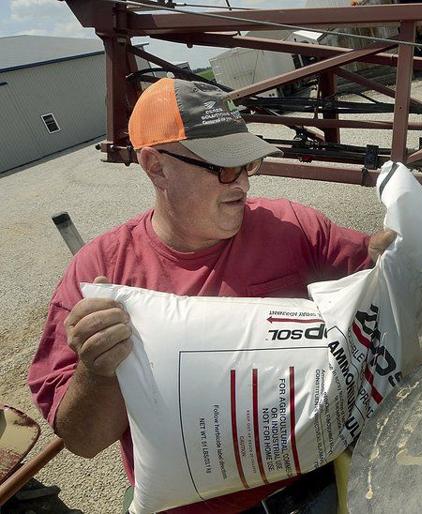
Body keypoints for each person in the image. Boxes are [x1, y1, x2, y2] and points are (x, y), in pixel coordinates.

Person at [28, 78, 395, 513]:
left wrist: (408, 234)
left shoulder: (291, 228)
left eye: (247, 164)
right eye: (221, 168)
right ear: (155, 166)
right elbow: (82, 440)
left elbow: (371, 266)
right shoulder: (100, 273)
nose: (241, 183)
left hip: (314, 486)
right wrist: (98, 370)